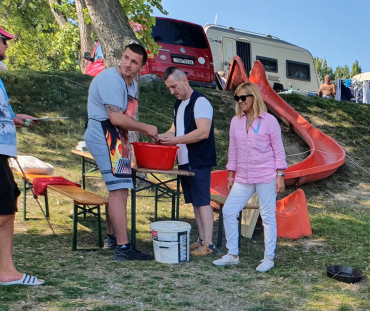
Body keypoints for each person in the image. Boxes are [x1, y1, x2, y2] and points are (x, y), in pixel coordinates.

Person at [84, 42, 158, 261]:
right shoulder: (110, 79)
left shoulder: (133, 85)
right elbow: (115, 118)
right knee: (119, 190)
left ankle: (112, 238)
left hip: (117, 138)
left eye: (134, 61)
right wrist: (146, 128)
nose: (127, 64)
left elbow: (124, 119)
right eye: (126, 58)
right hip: (103, 134)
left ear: (141, 67)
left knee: (119, 189)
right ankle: (123, 248)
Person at [214, 82, 286, 272]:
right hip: (243, 176)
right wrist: (230, 177)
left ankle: (268, 258)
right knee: (229, 211)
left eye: (243, 97)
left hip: (266, 174)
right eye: (237, 98)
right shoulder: (235, 121)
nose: (240, 101)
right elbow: (233, 150)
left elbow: (279, 150)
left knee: (268, 216)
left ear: (254, 97)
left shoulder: (269, 121)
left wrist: (280, 175)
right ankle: (232, 254)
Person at [0, 21, 43, 286]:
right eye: (4, 40)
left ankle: (7, 272)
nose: (7, 45)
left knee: (7, 207)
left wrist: (15, 118)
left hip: (1, 151)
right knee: (2, 209)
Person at [157, 67, 217, 256]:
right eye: (169, 88)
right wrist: (162, 137)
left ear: (184, 80)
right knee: (195, 202)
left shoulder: (200, 102)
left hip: (199, 159)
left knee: (203, 202)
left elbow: (203, 131)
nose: (172, 91)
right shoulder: (178, 105)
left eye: (174, 86)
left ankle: (209, 244)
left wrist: (175, 140)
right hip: (184, 161)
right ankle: (201, 239)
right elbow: (174, 129)